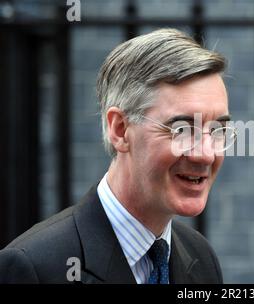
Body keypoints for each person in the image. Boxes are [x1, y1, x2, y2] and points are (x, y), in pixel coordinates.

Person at [0, 28, 235, 284]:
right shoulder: (33, 267)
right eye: (181, 129)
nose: (206, 154)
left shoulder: (201, 257)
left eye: (217, 130)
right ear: (120, 129)